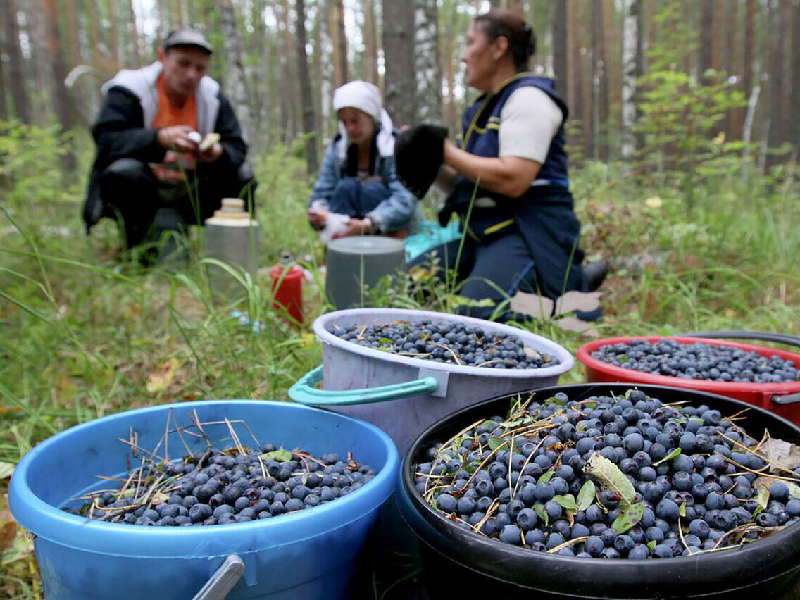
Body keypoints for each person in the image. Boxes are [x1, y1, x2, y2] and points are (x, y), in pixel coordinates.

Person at [396, 9, 606, 321]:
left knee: (476, 315)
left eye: (470, 43)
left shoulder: (530, 99)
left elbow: (514, 180)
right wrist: (432, 159)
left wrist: (446, 152)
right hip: (483, 234)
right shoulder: (485, 107)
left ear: (499, 47)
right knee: (405, 285)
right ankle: (551, 285)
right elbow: (471, 183)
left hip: (527, 233)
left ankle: (564, 294)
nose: (464, 56)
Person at [82, 28, 256, 261]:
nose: (191, 74)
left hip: (192, 189)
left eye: (199, 68)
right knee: (123, 172)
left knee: (242, 177)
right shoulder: (131, 89)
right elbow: (106, 139)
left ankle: (231, 253)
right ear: (162, 57)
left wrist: (218, 153)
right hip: (143, 190)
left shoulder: (211, 96)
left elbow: (236, 146)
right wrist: (158, 139)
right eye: (183, 64)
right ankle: (137, 248)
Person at [308, 81, 419, 242]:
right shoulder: (338, 151)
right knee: (346, 187)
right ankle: (342, 251)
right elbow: (321, 194)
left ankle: (383, 258)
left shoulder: (394, 147)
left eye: (355, 120)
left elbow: (405, 200)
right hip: (347, 228)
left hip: (388, 232)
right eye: (344, 122)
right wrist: (319, 214)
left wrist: (370, 223)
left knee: (372, 190)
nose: (349, 128)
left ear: (372, 116)